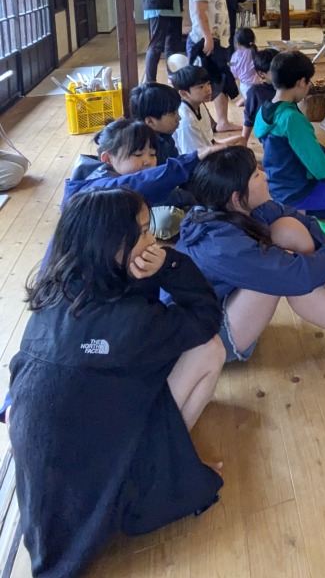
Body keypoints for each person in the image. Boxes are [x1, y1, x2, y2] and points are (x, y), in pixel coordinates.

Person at [5, 189, 225, 577]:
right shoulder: (132, 324)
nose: (153, 240)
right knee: (210, 350)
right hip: (93, 479)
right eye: (143, 231)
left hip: (44, 477)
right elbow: (206, 316)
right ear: (111, 245)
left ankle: (166, 459)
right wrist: (169, 265)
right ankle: (167, 468)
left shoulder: (56, 290)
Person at [176, 147, 325, 361]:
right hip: (208, 342)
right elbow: (295, 277)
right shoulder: (220, 246)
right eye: (255, 175)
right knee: (285, 278)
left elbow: (301, 220)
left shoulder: (232, 207)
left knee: (288, 227)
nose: (265, 175)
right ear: (236, 197)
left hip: (221, 307)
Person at [255, 51, 325, 223]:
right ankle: (300, 212)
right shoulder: (291, 119)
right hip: (297, 191)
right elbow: (319, 167)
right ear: (301, 82)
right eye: (309, 82)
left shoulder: (264, 109)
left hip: (277, 184)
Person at [61, 118, 203, 210]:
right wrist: (192, 159)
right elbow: (137, 183)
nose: (148, 161)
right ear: (108, 158)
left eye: (152, 154)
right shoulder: (97, 188)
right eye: (138, 155)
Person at [187, 0, 240, 133]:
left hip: (217, 41)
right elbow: (200, 12)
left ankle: (222, 121)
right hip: (205, 42)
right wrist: (208, 37)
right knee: (204, 82)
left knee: (219, 79)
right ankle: (233, 100)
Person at [129, 82, 182, 164]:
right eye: (172, 114)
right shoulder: (144, 149)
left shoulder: (165, 136)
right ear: (150, 122)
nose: (179, 118)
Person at [241, 46, 278, 142]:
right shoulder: (256, 92)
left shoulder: (288, 87)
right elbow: (249, 119)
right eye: (275, 71)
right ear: (261, 74)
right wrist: (243, 141)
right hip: (269, 137)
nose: (281, 74)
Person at [230, 26, 260, 100]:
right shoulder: (255, 52)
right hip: (258, 83)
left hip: (245, 85)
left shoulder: (235, 55)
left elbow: (232, 70)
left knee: (250, 101)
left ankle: (245, 100)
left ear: (237, 42)